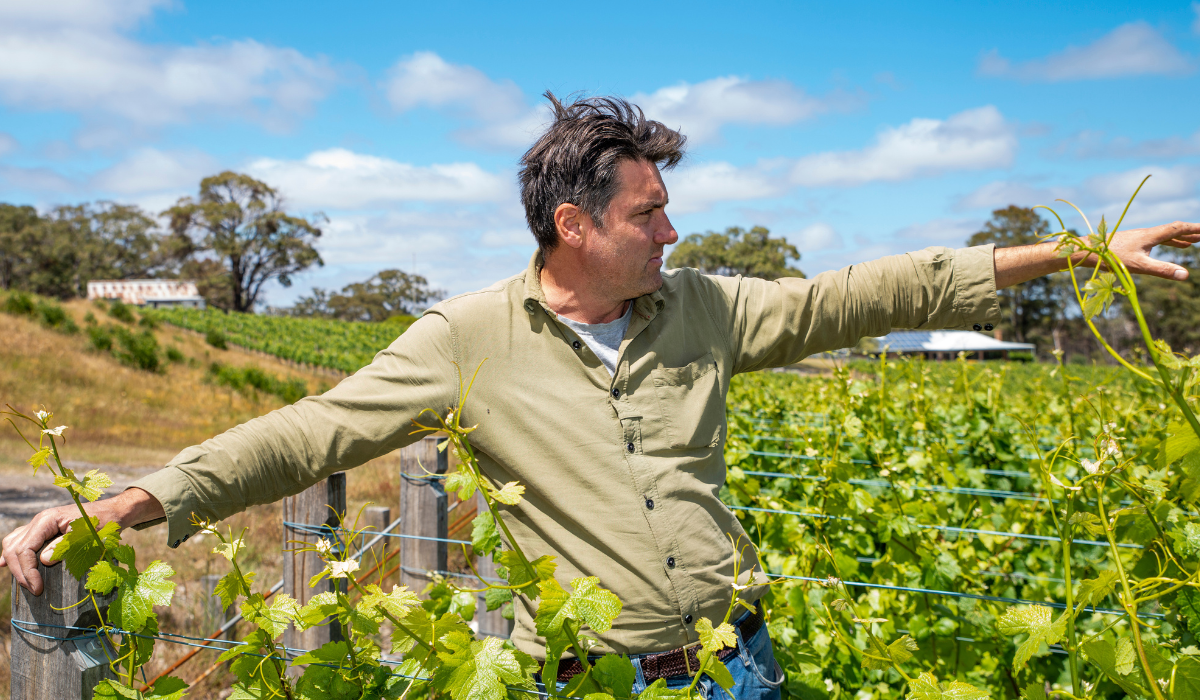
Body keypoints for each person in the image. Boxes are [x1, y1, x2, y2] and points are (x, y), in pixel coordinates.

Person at [4, 93, 1199, 700]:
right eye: (648, 213)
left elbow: (870, 290)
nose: (673, 230)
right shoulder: (465, 340)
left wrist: (1072, 253)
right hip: (587, 681)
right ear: (574, 226)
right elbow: (304, 433)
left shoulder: (710, 310)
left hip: (742, 663)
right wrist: (133, 502)